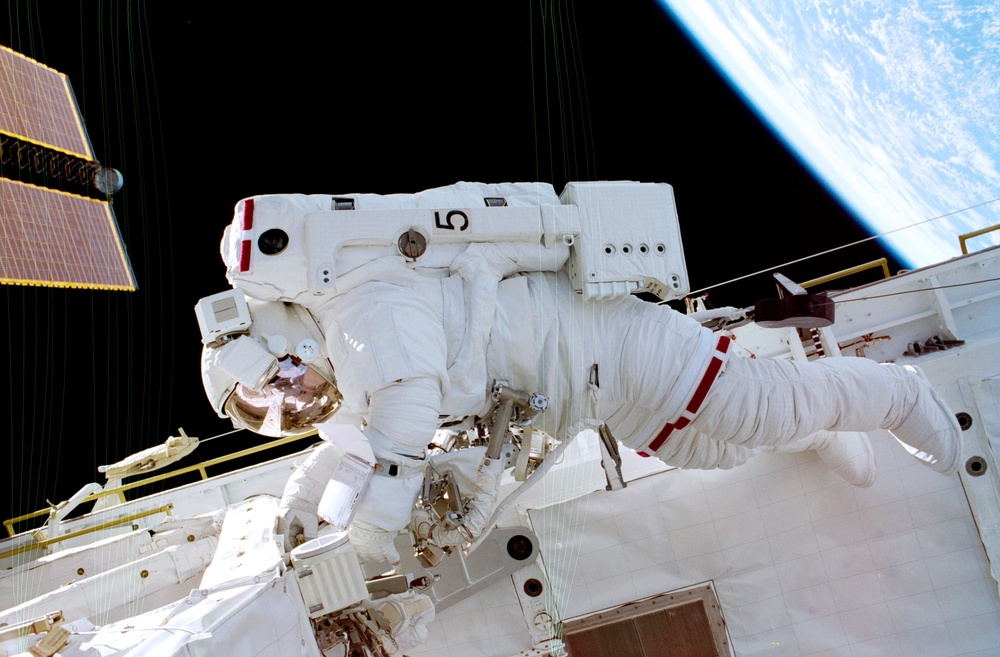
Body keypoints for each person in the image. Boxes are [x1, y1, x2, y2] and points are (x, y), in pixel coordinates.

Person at [199, 181, 962, 568]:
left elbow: (406, 402)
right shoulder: (350, 354)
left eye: (282, 381)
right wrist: (298, 508)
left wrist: (368, 532)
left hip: (621, 349)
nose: (293, 400)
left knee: (764, 408)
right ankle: (819, 434)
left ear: (278, 335)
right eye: (276, 407)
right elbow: (355, 445)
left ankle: (900, 395)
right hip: (594, 390)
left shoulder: (365, 316)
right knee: (711, 450)